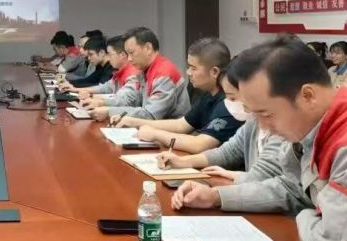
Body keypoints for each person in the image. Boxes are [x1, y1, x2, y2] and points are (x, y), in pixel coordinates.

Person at [171, 37, 347, 241]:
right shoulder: (315, 125)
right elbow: (291, 187)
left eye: (266, 114)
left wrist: (306, 214)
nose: (263, 126)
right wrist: (216, 197)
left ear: (307, 95)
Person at [155, 59, 284, 181]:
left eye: (233, 98)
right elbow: (227, 152)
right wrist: (182, 161)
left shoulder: (281, 128)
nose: (229, 103)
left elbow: (263, 177)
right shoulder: (252, 122)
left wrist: (234, 177)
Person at [114, 38, 242, 154]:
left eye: (193, 68)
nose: (188, 72)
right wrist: (134, 122)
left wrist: (155, 134)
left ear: (214, 72)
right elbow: (181, 125)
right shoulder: (208, 94)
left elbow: (200, 144)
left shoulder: (229, 101)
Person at [93, 26, 190, 121]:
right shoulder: (145, 70)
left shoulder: (164, 74)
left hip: (169, 129)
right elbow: (133, 100)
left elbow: (150, 114)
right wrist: (104, 104)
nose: (129, 59)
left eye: (131, 53)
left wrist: (109, 111)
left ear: (148, 48)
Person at [67, 36, 140, 119]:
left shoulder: (133, 73)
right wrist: (78, 90)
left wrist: (96, 99)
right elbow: (106, 87)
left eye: (110, 54)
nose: (108, 57)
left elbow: (122, 99)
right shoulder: (119, 70)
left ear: (122, 55)